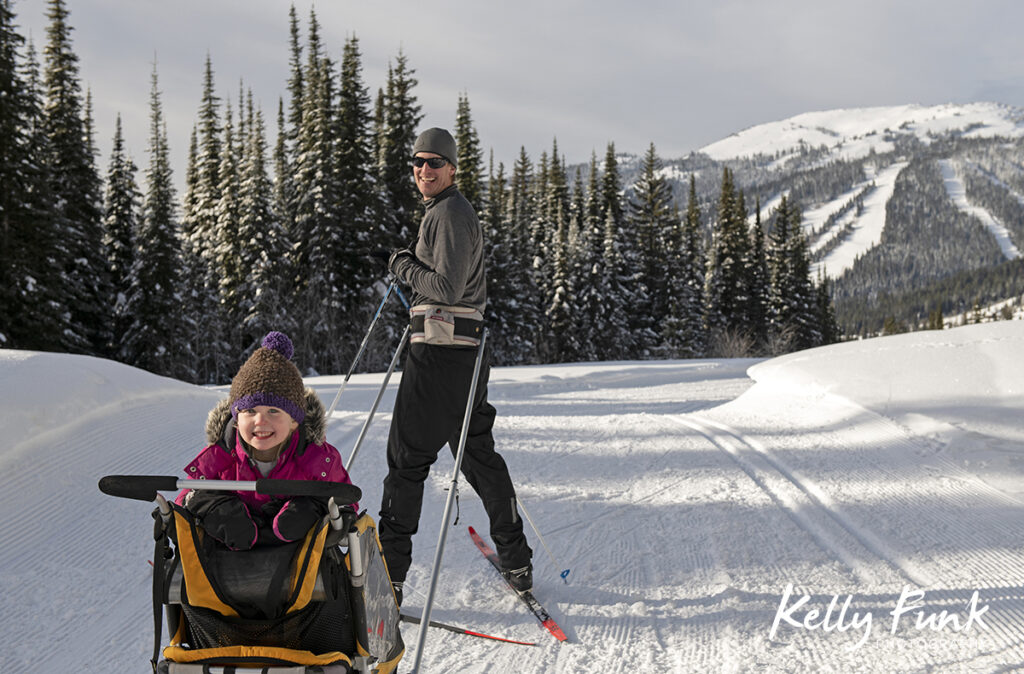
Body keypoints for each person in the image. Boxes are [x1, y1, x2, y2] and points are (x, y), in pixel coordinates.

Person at [377, 127, 533, 604]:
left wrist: (401, 264)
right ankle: (517, 561)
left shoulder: (449, 213)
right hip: (464, 351)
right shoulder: (448, 211)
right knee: (477, 456)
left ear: (452, 169)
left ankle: (389, 580)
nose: (425, 169)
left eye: (435, 162)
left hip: (440, 353)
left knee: (406, 463)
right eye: (418, 162)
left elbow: (444, 288)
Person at [176, 331, 353, 549]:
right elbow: (186, 498)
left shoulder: (316, 459)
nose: (260, 421)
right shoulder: (220, 457)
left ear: (294, 422)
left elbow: (347, 500)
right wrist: (212, 506)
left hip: (299, 565)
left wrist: (314, 507)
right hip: (233, 567)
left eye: (273, 411)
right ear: (236, 420)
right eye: (250, 411)